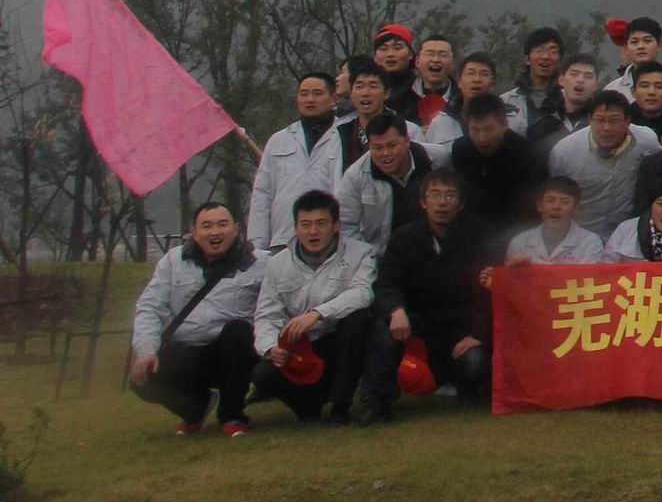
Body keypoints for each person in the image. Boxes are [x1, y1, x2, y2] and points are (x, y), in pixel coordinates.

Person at [358, 170, 492, 423]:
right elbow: (386, 283)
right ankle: (376, 403)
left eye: (450, 195)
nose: (442, 202)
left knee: (474, 362)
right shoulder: (403, 237)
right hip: (416, 325)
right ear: (423, 202)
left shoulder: (478, 236)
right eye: (435, 195)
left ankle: (468, 390)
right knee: (384, 328)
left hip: (460, 328)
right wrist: (396, 310)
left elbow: (487, 292)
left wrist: (478, 334)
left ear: (461, 203)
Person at [129, 201, 265, 437]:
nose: (215, 232)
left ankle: (232, 415)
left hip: (236, 353)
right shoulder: (173, 261)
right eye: (207, 226)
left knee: (239, 331)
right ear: (194, 232)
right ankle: (194, 409)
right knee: (143, 379)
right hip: (188, 351)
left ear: (236, 229)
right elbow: (149, 307)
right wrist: (146, 350)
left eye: (222, 224)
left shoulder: (261, 262)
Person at [249, 190, 376, 426]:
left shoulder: (361, 253)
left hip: (337, 342)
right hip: (299, 348)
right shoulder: (277, 264)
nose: (313, 231)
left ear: (336, 225)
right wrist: (271, 347)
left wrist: (317, 314)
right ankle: (307, 407)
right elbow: (266, 315)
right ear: (295, 228)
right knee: (263, 375)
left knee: (358, 319)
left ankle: (340, 406)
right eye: (305, 224)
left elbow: (362, 293)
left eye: (321, 223)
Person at [248, 72, 344, 251]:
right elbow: (262, 195)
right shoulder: (279, 140)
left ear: (334, 98)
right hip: (283, 239)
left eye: (317, 93)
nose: (309, 99)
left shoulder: (344, 136)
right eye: (303, 94)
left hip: (330, 240)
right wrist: (257, 245)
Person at [547, 92, 659, 236]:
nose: (606, 128)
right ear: (590, 119)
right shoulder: (564, 152)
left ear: (627, 121)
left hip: (628, 234)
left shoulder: (647, 142)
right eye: (600, 120)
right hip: (579, 234)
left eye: (614, 120)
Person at [446, 89, 546, 239]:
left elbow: (531, 206)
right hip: (470, 230)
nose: (481, 138)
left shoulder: (526, 154)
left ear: (504, 124)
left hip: (514, 231)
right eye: (475, 129)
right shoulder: (461, 149)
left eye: (488, 129)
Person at [333, 111, 439, 246]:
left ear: (407, 141)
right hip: (380, 254)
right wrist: (369, 256)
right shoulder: (355, 176)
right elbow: (346, 226)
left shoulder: (436, 158)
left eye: (392, 145)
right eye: (377, 148)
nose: (385, 153)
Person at [504, 177, 608, 263]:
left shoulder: (591, 243)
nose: (556, 206)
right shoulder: (519, 242)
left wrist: (532, 265)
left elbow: (584, 278)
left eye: (565, 202)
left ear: (575, 209)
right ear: (540, 206)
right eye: (551, 200)